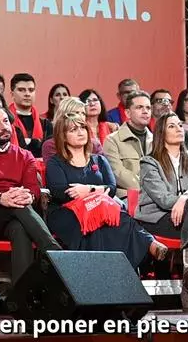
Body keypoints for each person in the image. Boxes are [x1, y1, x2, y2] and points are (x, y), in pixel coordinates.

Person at [45, 114, 167, 267]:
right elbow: (59, 192)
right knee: (101, 221)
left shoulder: (99, 160)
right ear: (62, 136)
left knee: (116, 217)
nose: (80, 132)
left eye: (83, 127)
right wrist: (97, 194)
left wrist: (89, 190)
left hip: (101, 208)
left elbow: (112, 188)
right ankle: (145, 244)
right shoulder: (55, 162)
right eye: (73, 129)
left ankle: (116, 270)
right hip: (67, 213)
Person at [0, 103, 61, 285]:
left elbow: (33, 189)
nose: (4, 126)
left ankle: (21, 296)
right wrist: (1, 198)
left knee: (19, 229)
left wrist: (28, 196)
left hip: (16, 216)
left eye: (6, 121)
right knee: (17, 206)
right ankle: (54, 253)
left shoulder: (25, 155)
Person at [137, 113, 188, 312]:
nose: (179, 128)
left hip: (185, 221)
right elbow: (163, 199)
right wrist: (184, 202)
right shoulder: (149, 162)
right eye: (172, 126)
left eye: (180, 125)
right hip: (158, 220)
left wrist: (184, 199)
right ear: (161, 133)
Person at [103, 90, 153, 200]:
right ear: (127, 113)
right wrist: (150, 188)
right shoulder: (112, 140)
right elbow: (118, 174)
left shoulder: (157, 140)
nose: (145, 111)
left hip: (156, 196)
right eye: (139, 107)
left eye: (148, 108)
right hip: (128, 197)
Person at [8, 73, 53, 158]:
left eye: (31, 90)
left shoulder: (46, 125)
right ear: (12, 94)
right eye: (21, 90)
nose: (27, 94)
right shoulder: (5, 122)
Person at [41, 97, 87, 164]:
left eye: (83, 113)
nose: (81, 117)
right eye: (76, 113)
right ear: (64, 116)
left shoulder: (93, 144)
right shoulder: (51, 145)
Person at [77, 88, 119, 153]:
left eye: (95, 100)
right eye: (87, 101)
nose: (92, 104)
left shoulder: (112, 128)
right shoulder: (78, 129)